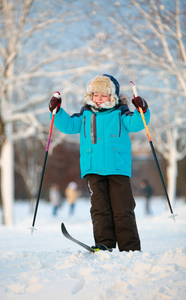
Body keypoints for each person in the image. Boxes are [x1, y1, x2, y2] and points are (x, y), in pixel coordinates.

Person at [49, 74, 150, 252]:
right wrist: (57, 111)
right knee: (99, 209)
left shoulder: (121, 114)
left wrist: (142, 109)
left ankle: (130, 248)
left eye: (103, 95)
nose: (99, 99)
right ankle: (104, 244)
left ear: (113, 97)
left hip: (118, 168)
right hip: (93, 169)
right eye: (96, 95)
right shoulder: (85, 115)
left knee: (123, 210)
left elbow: (136, 124)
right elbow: (69, 126)